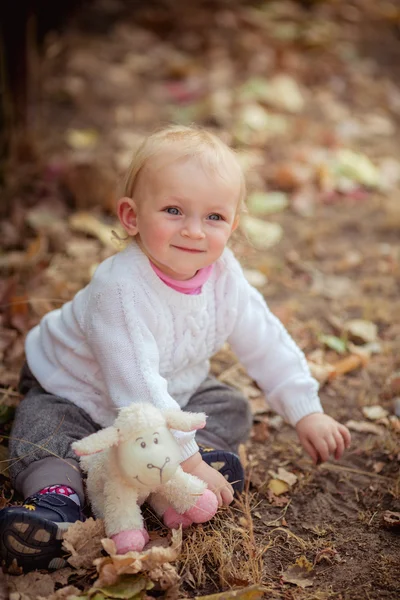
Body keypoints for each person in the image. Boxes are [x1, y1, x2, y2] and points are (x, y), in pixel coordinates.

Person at [0, 125, 351, 572]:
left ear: (233, 225)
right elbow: (135, 384)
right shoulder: (121, 286)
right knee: (45, 426)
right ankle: (56, 504)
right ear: (131, 216)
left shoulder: (225, 276)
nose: (193, 231)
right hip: (75, 387)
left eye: (214, 217)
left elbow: (265, 338)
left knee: (228, 404)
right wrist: (183, 459)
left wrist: (306, 409)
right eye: (173, 210)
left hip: (168, 392)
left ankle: (179, 473)